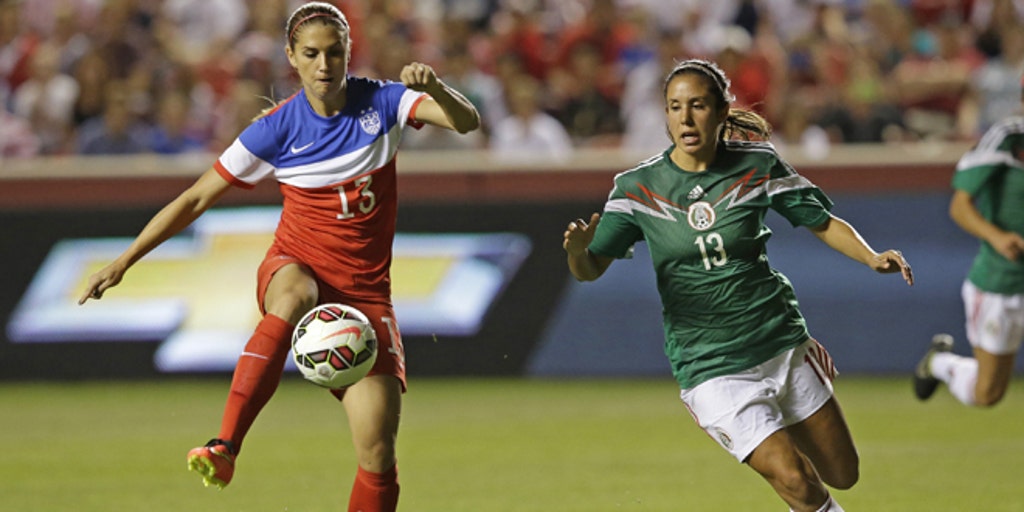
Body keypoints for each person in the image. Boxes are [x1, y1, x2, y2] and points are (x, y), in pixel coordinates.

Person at [78, 3, 480, 511]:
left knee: (378, 453)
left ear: (349, 51)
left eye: (335, 52)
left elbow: (466, 122)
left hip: (364, 295)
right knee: (293, 294)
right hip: (296, 263)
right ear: (292, 56)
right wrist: (124, 261)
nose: (324, 65)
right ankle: (225, 444)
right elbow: (194, 199)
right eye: (311, 54)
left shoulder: (385, 102)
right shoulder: (276, 129)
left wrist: (436, 88)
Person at [562, 58, 913, 512]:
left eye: (698, 106)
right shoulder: (637, 188)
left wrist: (871, 257)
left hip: (780, 342)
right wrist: (577, 252)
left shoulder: (757, 164)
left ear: (722, 110)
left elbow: (822, 221)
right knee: (796, 479)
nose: (686, 118)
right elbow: (589, 269)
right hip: (711, 365)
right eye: (674, 107)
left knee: (843, 473)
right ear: (664, 114)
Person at [912, 75, 1024, 408]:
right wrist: (998, 237)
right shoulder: (1008, 138)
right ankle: (940, 363)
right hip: (1001, 281)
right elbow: (960, 205)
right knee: (986, 393)